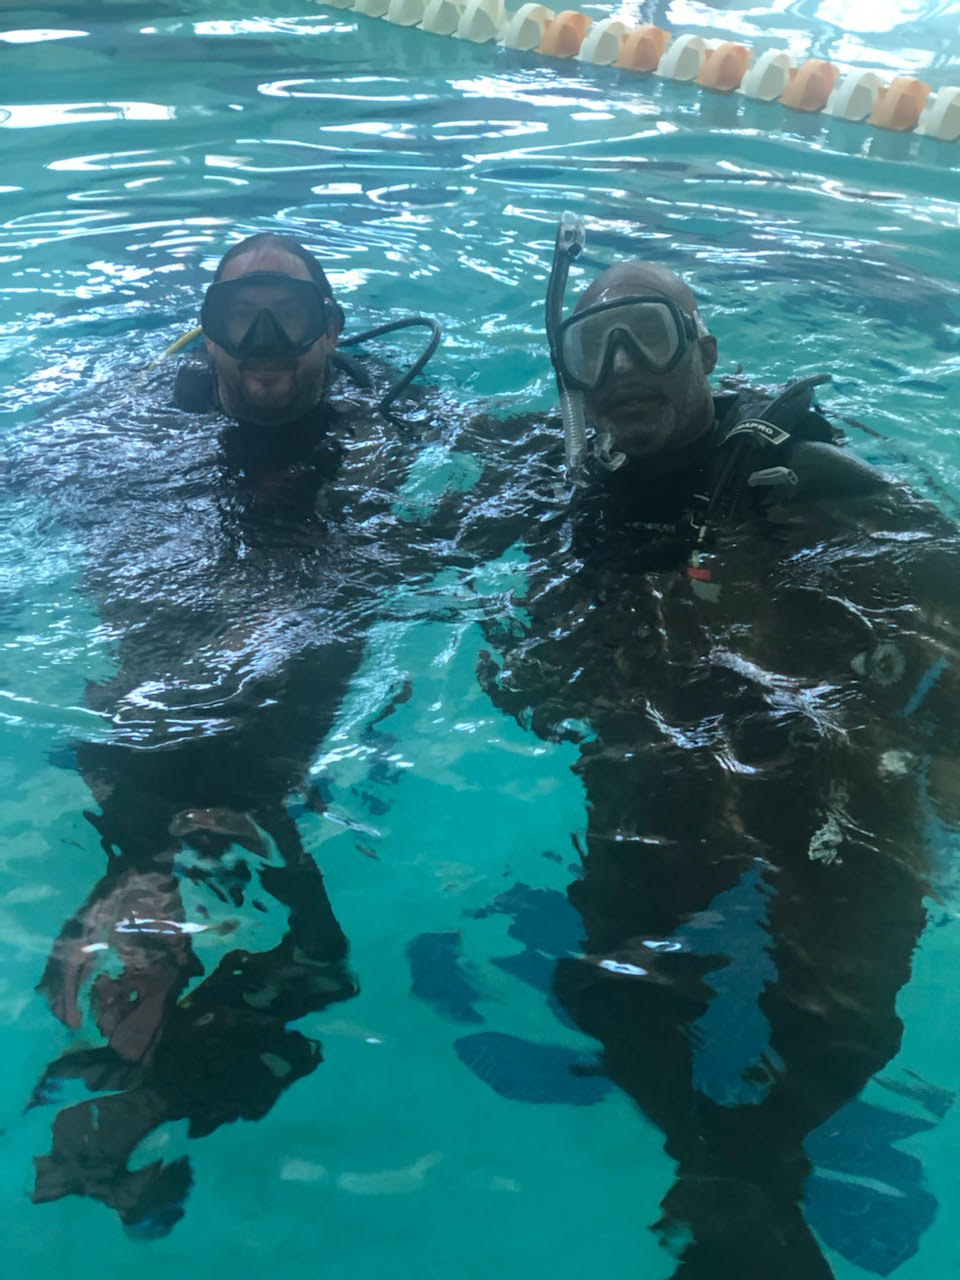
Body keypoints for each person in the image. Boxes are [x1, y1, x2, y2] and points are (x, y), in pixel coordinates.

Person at [444, 219, 959, 1280]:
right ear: (570, 375)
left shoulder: (797, 475)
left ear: (706, 355)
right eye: (594, 346)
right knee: (605, 981)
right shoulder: (551, 484)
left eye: (647, 335)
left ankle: (753, 1157)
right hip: (658, 752)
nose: (622, 368)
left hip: (826, 753)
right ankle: (728, 1165)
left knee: (849, 1005)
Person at [25, 233, 442, 1234]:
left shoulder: (380, 415)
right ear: (205, 339)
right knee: (178, 711)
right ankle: (159, 1038)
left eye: (291, 317)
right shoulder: (141, 414)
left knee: (285, 658)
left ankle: (161, 1055)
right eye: (237, 316)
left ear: (332, 333)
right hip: (162, 673)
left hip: (292, 662)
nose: (264, 339)